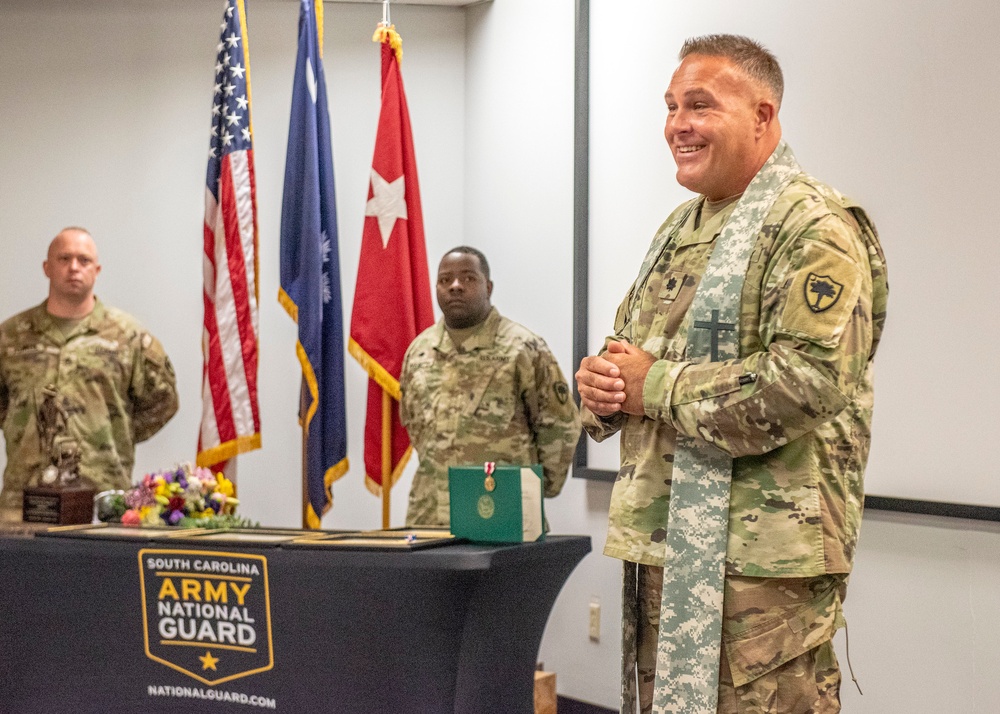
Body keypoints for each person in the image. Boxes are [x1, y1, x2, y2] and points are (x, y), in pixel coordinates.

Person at [575, 35, 888, 713]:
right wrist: (600, 390)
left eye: (700, 105)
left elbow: (804, 383)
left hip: (759, 571)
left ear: (762, 116)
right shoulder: (679, 228)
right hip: (666, 547)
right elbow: (630, 352)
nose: (677, 125)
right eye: (670, 107)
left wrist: (652, 386)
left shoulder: (813, 226)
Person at [0, 227, 179, 519]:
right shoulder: (10, 337)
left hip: (103, 502)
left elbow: (163, 402)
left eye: (83, 260)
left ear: (97, 270)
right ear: (47, 268)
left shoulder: (128, 337)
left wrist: (111, 433)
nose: (73, 267)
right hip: (22, 501)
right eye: (64, 258)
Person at [399, 246, 582, 526]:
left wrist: (533, 490)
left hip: (501, 510)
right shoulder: (419, 351)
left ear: (488, 286)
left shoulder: (522, 347)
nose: (456, 287)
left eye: (468, 278)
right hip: (430, 513)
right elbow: (413, 424)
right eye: (445, 280)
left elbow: (561, 425)